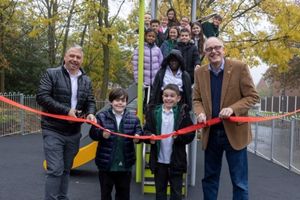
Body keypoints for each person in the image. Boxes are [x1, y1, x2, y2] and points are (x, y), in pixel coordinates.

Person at [193, 37, 259, 200]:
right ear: (205, 52)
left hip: (235, 134)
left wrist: (232, 109)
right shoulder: (200, 72)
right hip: (211, 134)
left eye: (217, 47)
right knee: (209, 180)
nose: (213, 51)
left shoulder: (239, 67)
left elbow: (252, 96)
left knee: (239, 183)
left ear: (224, 49)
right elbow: (197, 99)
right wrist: (200, 112)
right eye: (209, 49)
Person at [36, 44, 96, 200]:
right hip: (53, 129)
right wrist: (66, 110)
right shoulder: (51, 74)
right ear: (65, 57)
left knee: (66, 169)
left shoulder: (86, 80)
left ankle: (62, 197)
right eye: (72, 56)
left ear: (82, 60)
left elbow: (90, 100)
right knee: (55, 169)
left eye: (78, 57)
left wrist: (90, 113)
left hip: (74, 132)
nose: (74, 60)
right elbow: (42, 97)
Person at [89, 88, 142, 200]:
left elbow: (139, 131)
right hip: (106, 164)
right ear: (111, 102)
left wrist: (138, 137)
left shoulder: (134, 118)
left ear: (126, 102)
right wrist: (101, 134)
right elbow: (93, 134)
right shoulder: (101, 116)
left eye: (123, 101)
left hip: (125, 163)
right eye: (117, 100)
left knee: (123, 195)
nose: (120, 103)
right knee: (105, 194)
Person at [144, 83, 195, 200]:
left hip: (176, 161)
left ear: (178, 98)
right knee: (160, 193)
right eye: (166, 95)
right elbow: (146, 131)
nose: (168, 98)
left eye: (172, 96)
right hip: (159, 162)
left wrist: (180, 137)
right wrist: (149, 138)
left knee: (176, 193)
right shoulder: (154, 112)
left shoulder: (183, 114)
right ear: (162, 97)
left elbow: (191, 134)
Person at [132, 28, 163, 108]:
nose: (151, 38)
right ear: (145, 36)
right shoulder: (139, 49)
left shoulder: (157, 50)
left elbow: (161, 64)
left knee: (155, 100)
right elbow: (135, 65)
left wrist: (159, 78)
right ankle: (144, 116)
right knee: (145, 101)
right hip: (144, 81)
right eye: (149, 36)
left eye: (153, 36)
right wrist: (138, 80)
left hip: (155, 81)